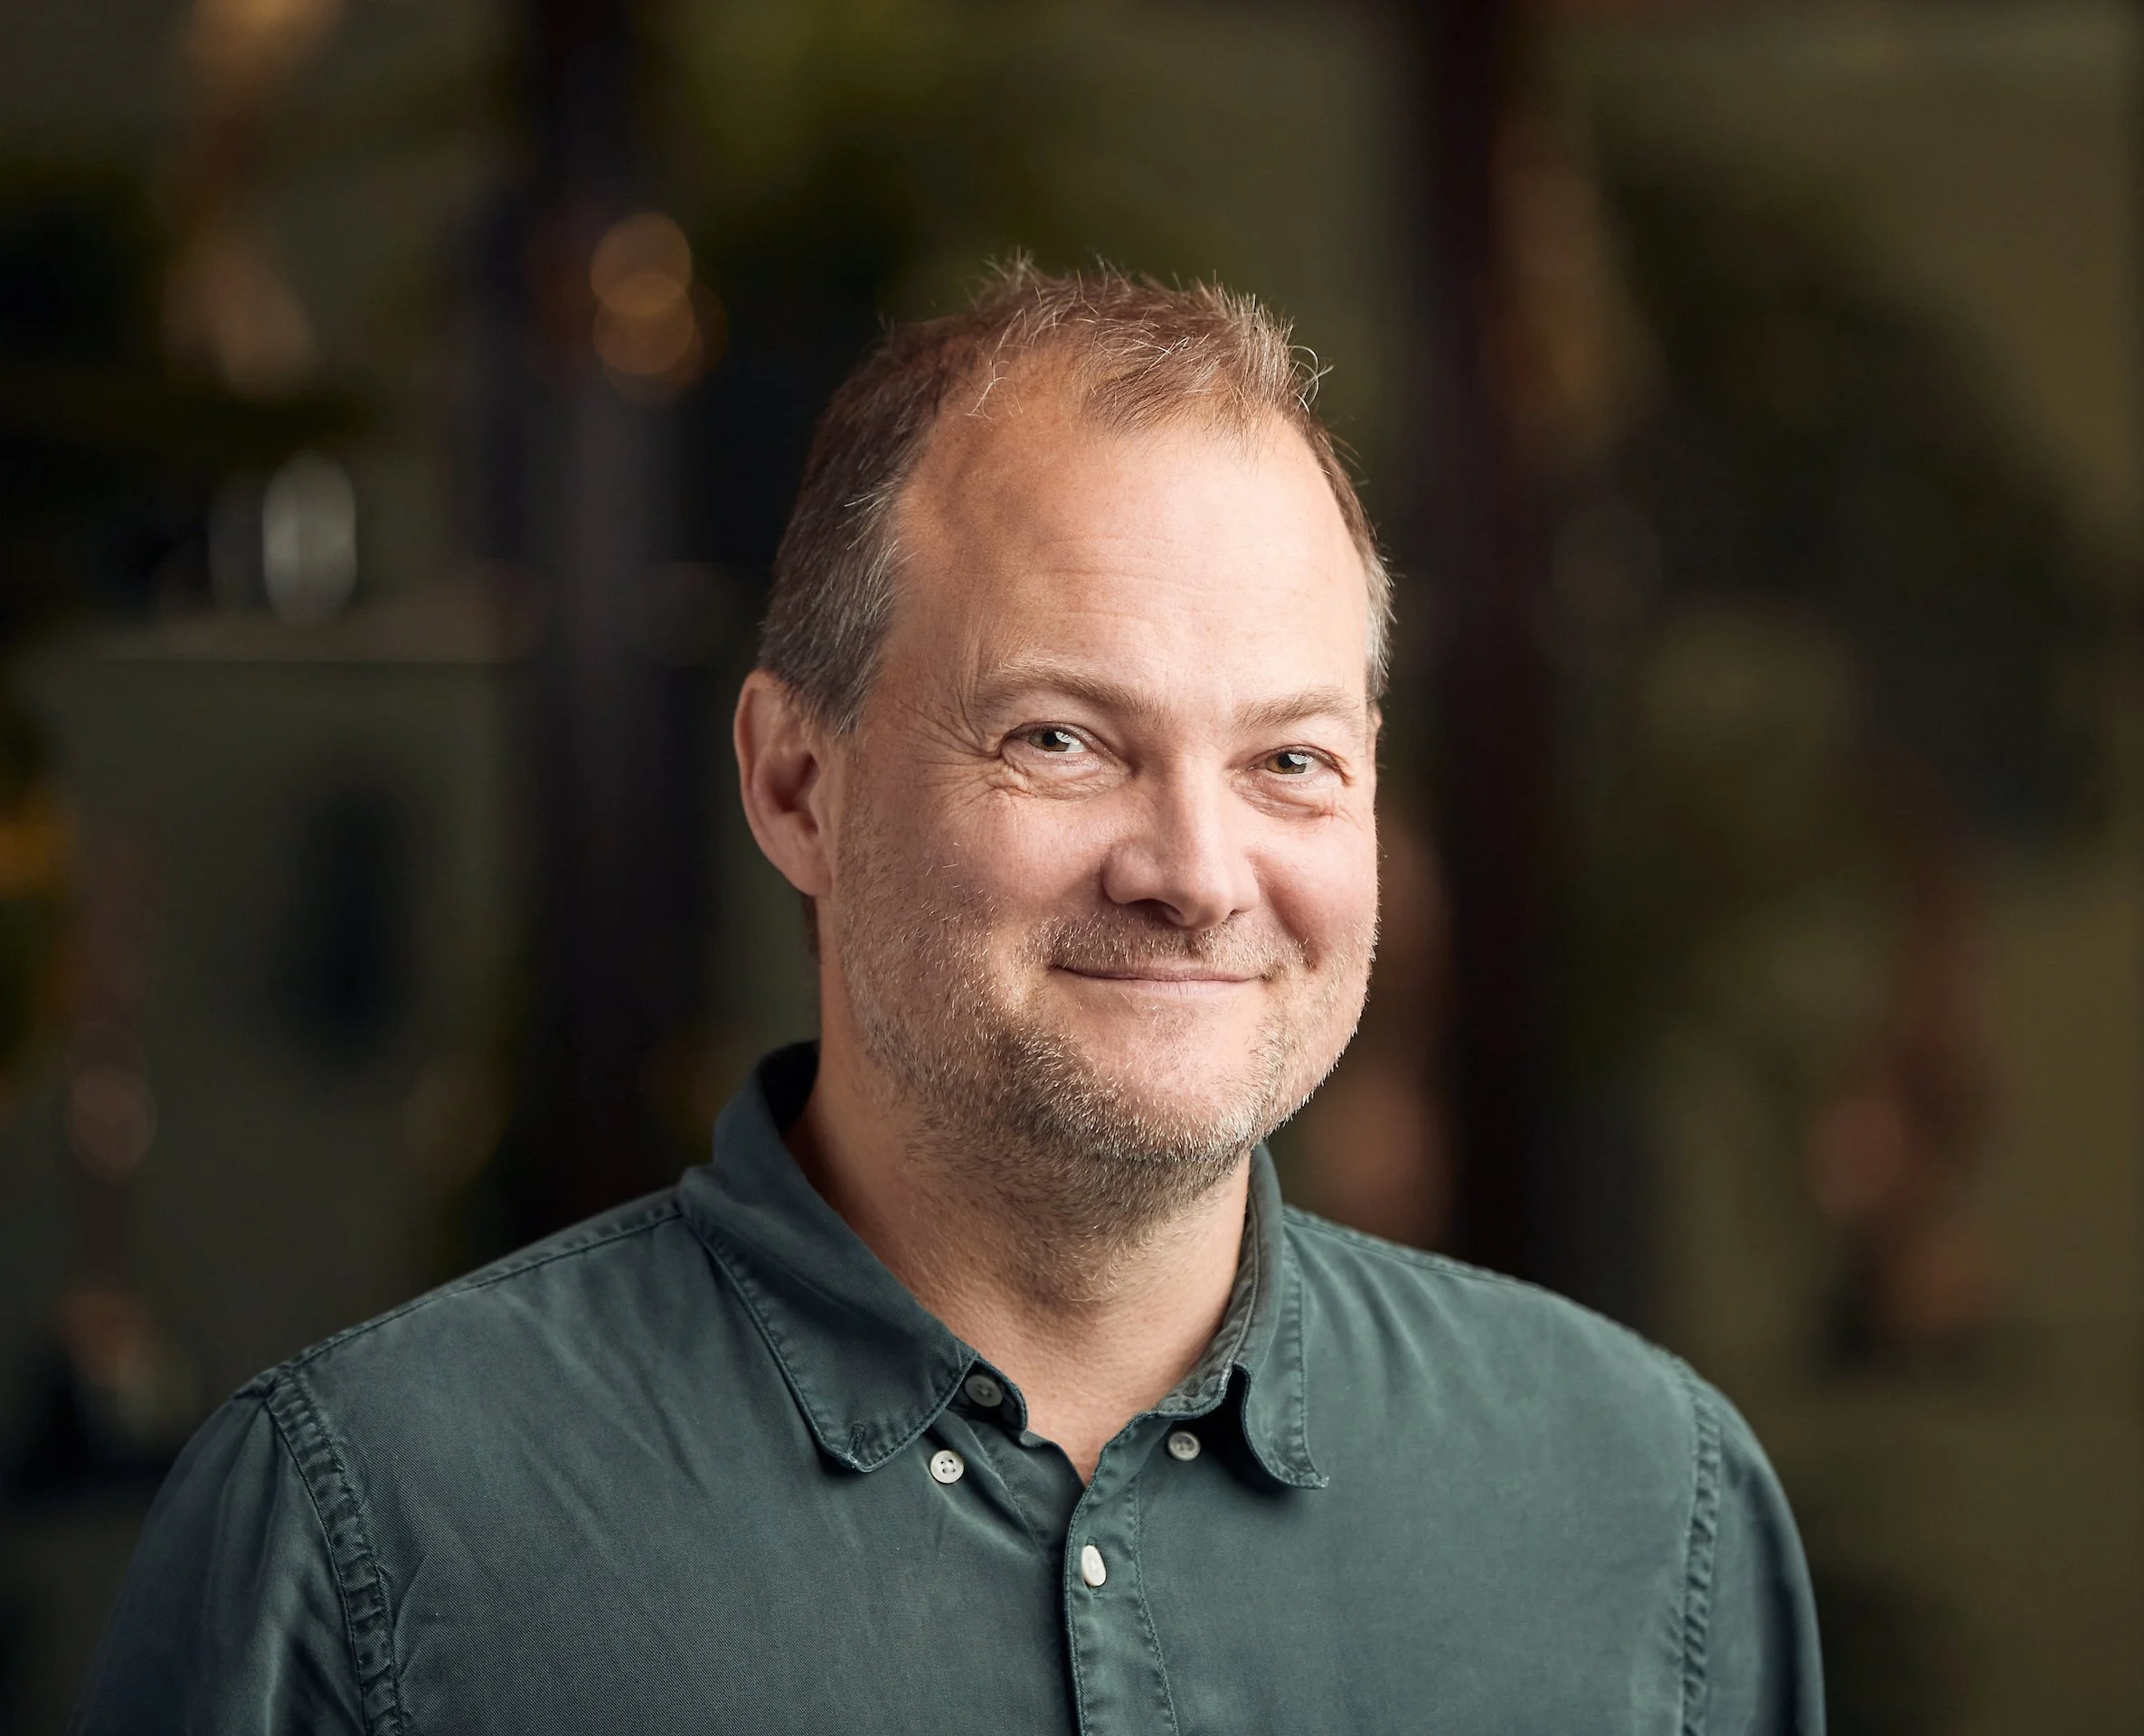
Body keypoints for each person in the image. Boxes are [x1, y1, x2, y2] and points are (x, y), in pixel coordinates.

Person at [72, 264, 1822, 1734]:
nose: (1199, 871)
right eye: (1063, 739)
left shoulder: (1643, 1505)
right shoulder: (374, 1522)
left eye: (1291, 759)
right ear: (793, 784)